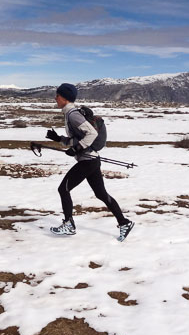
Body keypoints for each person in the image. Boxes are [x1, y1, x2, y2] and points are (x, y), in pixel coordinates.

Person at [46, 83, 135, 241]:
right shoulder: (70, 113)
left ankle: (68, 224)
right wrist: (59, 139)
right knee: (101, 194)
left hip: (87, 161)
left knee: (63, 189)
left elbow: (91, 133)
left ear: (65, 98)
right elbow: (77, 138)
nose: (55, 98)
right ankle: (124, 223)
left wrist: (77, 148)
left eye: (58, 96)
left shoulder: (73, 114)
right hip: (92, 160)